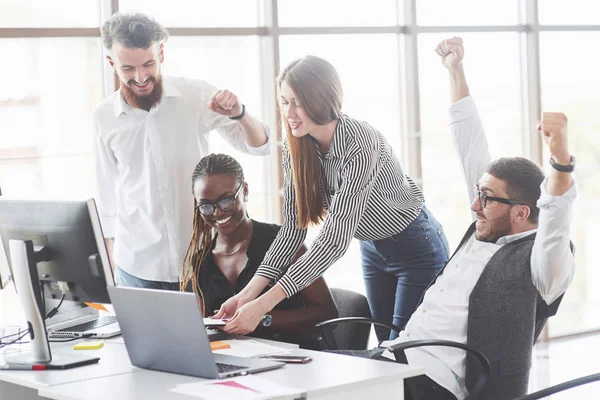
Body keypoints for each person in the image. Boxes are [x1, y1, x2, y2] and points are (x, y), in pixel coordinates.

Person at [329, 37, 577, 400]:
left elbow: (556, 217)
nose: (475, 206)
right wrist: (455, 69)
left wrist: (560, 158)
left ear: (522, 213)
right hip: (393, 360)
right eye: (479, 194)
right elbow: (469, 141)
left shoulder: (544, 264)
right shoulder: (489, 220)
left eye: (487, 199)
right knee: (303, 377)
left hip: (436, 381)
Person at [214, 55, 450, 342]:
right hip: (372, 249)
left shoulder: (361, 143)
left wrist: (263, 305)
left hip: (415, 247)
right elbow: (292, 231)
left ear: (321, 99)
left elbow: (333, 241)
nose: (289, 113)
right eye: (285, 101)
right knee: (386, 347)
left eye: (297, 102)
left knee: (404, 350)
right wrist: (245, 295)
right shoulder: (297, 148)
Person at [93, 13, 271, 290]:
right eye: (127, 69)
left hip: (202, 259)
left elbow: (260, 146)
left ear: (161, 53)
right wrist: (108, 260)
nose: (140, 78)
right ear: (111, 63)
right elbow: (106, 195)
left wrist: (240, 114)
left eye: (148, 64)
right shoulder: (103, 117)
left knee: (214, 335)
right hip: (137, 265)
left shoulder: (197, 96)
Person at [180, 153, 338, 349]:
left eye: (226, 200)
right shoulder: (200, 261)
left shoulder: (283, 241)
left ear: (244, 191)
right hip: (236, 361)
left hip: (293, 358)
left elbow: (327, 313)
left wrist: (262, 318)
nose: (218, 212)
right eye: (206, 206)